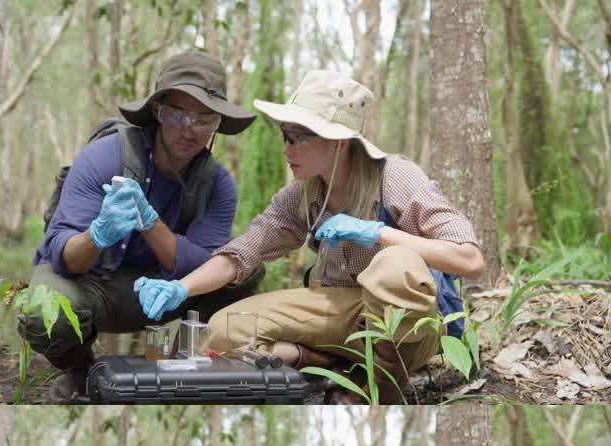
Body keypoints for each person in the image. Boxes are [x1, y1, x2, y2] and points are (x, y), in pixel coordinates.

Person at [136, 70, 485, 403]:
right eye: (284, 135)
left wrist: (380, 233)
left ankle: (378, 386)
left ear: (339, 143)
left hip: (406, 323)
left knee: (395, 265)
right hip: (338, 309)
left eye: (298, 137)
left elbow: (470, 260)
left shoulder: (394, 176)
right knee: (224, 330)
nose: (287, 149)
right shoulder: (302, 195)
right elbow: (245, 251)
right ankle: (323, 362)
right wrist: (182, 287)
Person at [23, 51, 263, 401]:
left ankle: (187, 359)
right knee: (44, 311)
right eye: (177, 115)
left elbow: (207, 266)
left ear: (217, 124)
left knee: (247, 268)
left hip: (162, 292)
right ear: (157, 111)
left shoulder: (218, 185)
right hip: (94, 288)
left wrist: (149, 221)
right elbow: (63, 257)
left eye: (203, 119)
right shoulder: (104, 157)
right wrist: (98, 233)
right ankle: (80, 369)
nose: (189, 129)